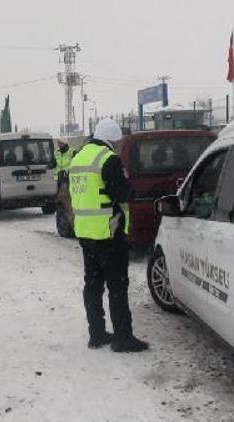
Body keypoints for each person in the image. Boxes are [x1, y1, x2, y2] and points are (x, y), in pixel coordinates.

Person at [69, 118, 149, 352]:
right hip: (109, 233)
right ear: (112, 139)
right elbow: (123, 193)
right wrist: (130, 186)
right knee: (117, 285)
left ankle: (97, 333)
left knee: (93, 284)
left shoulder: (79, 158)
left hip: (85, 232)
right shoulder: (108, 159)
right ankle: (123, 338)